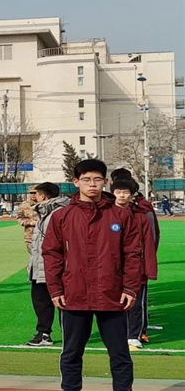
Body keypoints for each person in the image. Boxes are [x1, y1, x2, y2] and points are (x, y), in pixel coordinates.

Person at [43, 159, 142, 391]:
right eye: (86, 180)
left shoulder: (121, 216)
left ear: (105, 182)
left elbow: (133, 254)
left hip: (112, 294)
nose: (92, 184)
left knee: (120, 354)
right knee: (71, 353)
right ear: (76, 182)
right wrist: (55, 289)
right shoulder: (62, 216)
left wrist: (130, 288)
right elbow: (51, 254)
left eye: (97, 179)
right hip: (74, 294)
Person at [111, 177, 158, 351]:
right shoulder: (106, 215)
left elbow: (148, 244)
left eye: (125, 192)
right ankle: (116, 334)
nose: (122, 195)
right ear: (112, 193)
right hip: (112, 267)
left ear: (132, 195)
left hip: (136, 267)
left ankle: (134, 335)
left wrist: (149, 269)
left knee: (136, 303)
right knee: (114, 303)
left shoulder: (140, 217)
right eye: (118, 192)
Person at [26, 182, 69, 346]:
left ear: (43, 196)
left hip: (54, 267)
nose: (34, 197)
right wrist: (32, 264)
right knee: (41, 301)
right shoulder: (44, 213)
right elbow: (38, 243)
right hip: (41, 266)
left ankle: (67, 334)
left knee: (59, 301)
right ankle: (44, 333)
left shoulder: (59, 214)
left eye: (36, 194)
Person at [17, 187, 38, 252]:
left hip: (43, 234)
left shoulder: (44, 204)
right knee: (32, 254)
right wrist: (30, 222)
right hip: (30, 235)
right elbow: (19, 218)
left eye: (35, 193)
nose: (33, 195)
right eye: (31, 193)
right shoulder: (24, 205)